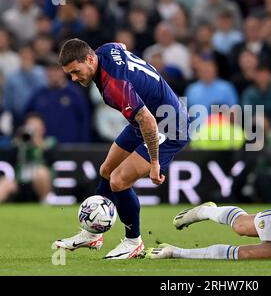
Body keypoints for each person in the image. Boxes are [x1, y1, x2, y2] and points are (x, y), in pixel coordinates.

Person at [54, 38, 190, 260]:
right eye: (70, 74)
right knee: (107, 170)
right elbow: (120, 46)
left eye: (76, 71)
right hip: (147, 119)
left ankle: (133, 242)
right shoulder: (106, 51)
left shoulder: (115, 85)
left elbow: (148, 122)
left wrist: (155, 163)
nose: (74, 78)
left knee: (118, 180)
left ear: (90, 59)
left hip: (169, 126)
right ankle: (92, 234)